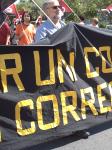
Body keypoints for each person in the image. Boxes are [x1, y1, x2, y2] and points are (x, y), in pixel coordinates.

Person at [35, 0, 90, 139]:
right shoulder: (42, 29)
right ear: (46, 10)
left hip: (69, 70)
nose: (59, 9)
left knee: (74, 96)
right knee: (58, 99)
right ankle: (58, 128)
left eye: (60, 6)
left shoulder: (66, 26)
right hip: (54, 71)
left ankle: (78, 127)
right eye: (55, 7)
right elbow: (38, 50)